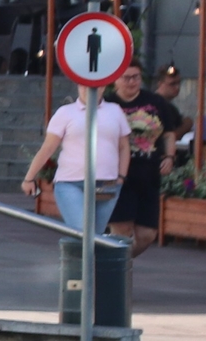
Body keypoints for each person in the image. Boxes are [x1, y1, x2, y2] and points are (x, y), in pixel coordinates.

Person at [19, 80, 130, 233]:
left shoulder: (115, 110)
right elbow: (48, 147)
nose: (87, 89)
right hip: (70, 182)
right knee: (82, 232)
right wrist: (29, 178)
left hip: (107, 183)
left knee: (96, 237)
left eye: (94, 86)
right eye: (83, 85)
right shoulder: (65, 112)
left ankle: (80, 257)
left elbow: (124, 146)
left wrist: (121, 177)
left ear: (103, 87)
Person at [104, 63, 179, 256]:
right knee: (122, 231)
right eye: (126, 78)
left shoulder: (156, 102)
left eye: (136, 77)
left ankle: (112, 264)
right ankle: (115, 272)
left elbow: (169, 134)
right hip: (118, 176)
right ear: (115, 80)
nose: (132, 82)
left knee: (147, 234)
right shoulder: (107, 104)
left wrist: (169, 156)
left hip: (149, 174)